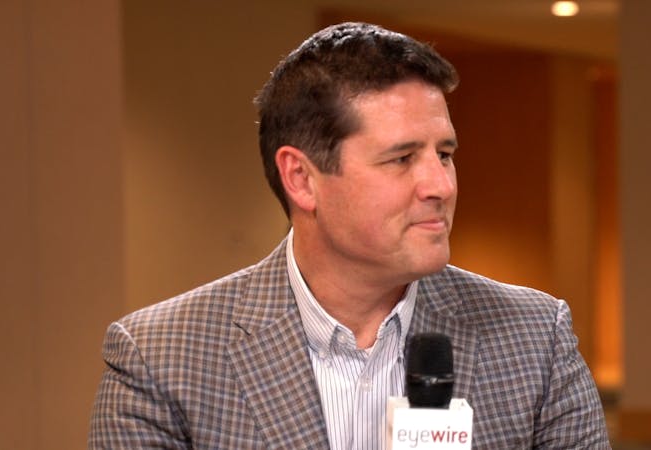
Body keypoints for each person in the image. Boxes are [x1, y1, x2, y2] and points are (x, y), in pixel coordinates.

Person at [89, 22, 610, 449]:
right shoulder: (160, 359)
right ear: (301, 178)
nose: (441, 185)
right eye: (402, 158)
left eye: (445, 154)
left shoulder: (535, 339)